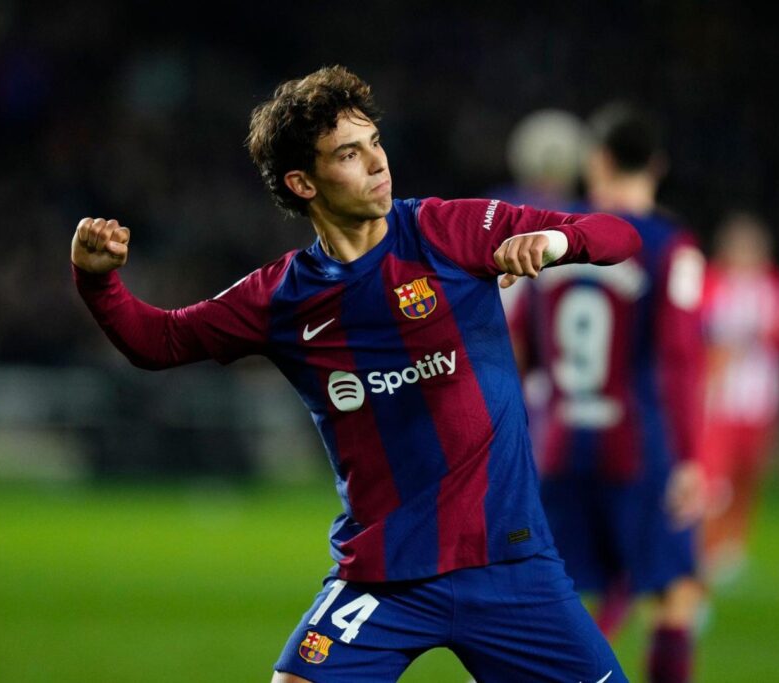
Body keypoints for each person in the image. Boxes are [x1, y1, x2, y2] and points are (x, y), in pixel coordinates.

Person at [70, 66, 643, 683]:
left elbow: (617, 234)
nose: (376, 163)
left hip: (508, 562)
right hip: (384, 577)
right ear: (303, 182)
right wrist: (97, 280)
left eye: (375, 143)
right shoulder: (281, 298)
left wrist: (556, 245)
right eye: (348, 153)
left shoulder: (446, 230)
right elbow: (159, 341)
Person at [508, 104, 706, 683]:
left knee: (540, 611)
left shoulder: (552, 243)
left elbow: (519, 351)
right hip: (639, 451)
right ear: (658, 166)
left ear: (596, 161)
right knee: (674, 593)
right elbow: (679, 358)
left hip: (557, 448)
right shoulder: (673, 247)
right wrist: (691, 458)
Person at [699, 211, 779, 583]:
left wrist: (763, 333)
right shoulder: (711, 282)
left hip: (761, 398)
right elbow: (698, 331)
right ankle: (707, 545)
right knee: (714, 479)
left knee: (748, 475)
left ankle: (735, 545)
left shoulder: (775, 286)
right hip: (721, 398)